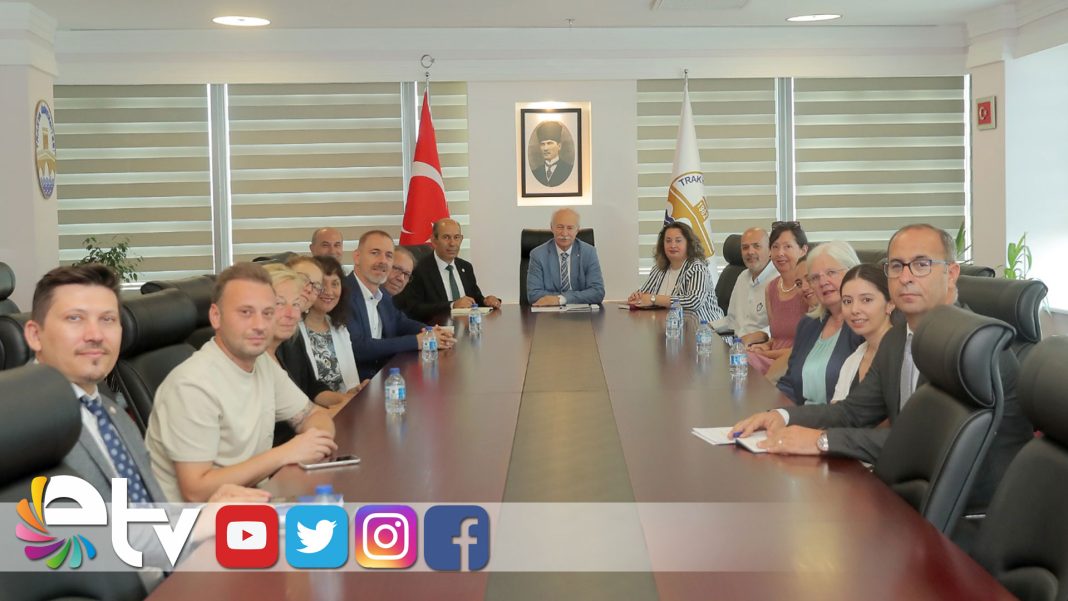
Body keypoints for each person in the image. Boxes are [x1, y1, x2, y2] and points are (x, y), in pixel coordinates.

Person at [730, 224, 1034, 509]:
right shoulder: (898, 337)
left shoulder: (973, 346)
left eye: (922, 264)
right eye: (897, 266)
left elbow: (929, 443)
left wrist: (822, 440)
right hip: (912, 488)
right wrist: (781, 416)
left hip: (969, 510)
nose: (906, 277)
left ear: (951, 273)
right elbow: (853, 412)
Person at [23, 265, 268, 581]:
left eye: (107, 319)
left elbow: (144, 517)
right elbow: (58, 544)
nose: (95, 334)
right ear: (35, 335)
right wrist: (199, 522)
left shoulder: (108, 411)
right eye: (75, 318)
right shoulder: (25, 423)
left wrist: (209, 510)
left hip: (170, 576)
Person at [146, 263, 338, 502]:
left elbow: (312, 415)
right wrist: (287, 453)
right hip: (200, 521)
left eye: (267, 313)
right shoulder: (191, 385)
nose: (259, 325)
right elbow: (196, 490)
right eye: (246, 312)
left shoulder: (263, 364)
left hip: (255, 501)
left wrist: (315, 442)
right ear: (216, 316)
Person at [344, 230, 455, 380]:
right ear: (357, 257)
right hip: (358, 384)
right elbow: (358, 348)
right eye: (375, 253)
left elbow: (400, 322)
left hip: (386, 378)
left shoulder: (382, 295)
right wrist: (417, 341)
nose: (383, 261)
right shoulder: (343, 294)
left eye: (389, 256)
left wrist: (433, 332)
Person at [776, 241, 863, 405]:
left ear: (853, 273)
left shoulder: (863, 326)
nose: (823, 282)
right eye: (815, 278)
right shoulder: (808, 325)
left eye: (831, 273)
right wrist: (774, 413)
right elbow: (789, 385)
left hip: (836, 418)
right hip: (798, 416)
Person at [264, 265, 357, 410]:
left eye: (296, 304)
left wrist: (347, 400)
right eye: (279, 303)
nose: (292, 314)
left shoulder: (292, 337)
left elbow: (310, 386)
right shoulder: (251, 358)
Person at [394, 218, 502, 321]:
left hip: (467, 329)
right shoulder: (419, 269)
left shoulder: (466, 267)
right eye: (446, 237)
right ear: (434, 240)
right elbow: (413, 308)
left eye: (456, 237)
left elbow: (475, 299)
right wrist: (452, 305)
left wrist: (486, 301)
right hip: (437, 329)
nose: (452, 243)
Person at [627, 221, 723, 323]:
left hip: (703, 327)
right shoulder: (658, 269)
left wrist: (653, 299)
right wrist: (637, 297)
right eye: (668, 241)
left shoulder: (697, 268)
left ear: (689, 244)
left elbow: (694, 302)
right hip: (668, 325)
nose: (672, 245)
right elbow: (645, 294)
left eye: (678, 241)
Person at [747, 221, 810, 375]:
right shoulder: (771, 288)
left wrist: (765, 354)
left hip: (794, 364)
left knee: (742, 361)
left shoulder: (809, 289)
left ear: (803, 250)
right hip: (770, 360)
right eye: (775, 247)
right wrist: (765, 346)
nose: (780, 253)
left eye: (787, 247)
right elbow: (777, 338)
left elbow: (806, 348)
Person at [298, 256, 364, 395]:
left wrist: (356, 390)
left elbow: (350, 382)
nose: (329, 292)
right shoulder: (291, 329)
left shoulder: (340, 328)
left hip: (343, 404)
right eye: (322, 284)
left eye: (335, 284)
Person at [830, 264, 895, 402]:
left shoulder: (905, 353)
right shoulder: (853, 360)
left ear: (890, 304)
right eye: (847, 301)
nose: (854, 309)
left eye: (866, 300)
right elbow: (837, 410)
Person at [527, 207, 605, 306]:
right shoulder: (538, 254)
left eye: (570, 228)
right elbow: (533, 295)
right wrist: (579, 296)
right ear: (551, 228)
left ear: (577, 230)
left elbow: (597, 292)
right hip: (549, 313)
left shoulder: (589, 252)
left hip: (582, 313)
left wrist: (562, 299)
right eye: (560, 227)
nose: (564, 233)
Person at [711, 227, 776, 343]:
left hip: (763, 347)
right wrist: (708, 327)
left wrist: (754, 337)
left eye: (756, 246)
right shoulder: (742, 277)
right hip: (738, 346)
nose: (750, 252)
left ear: (770, 250)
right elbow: (732, 320)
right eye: (745, 247)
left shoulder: (778, 280)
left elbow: (783, 328)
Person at [530, 121, 573, 187]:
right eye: (542, 144)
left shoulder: (569, 170)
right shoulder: (535, 173)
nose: (545, 148)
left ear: (559, 146)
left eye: (549, 143)